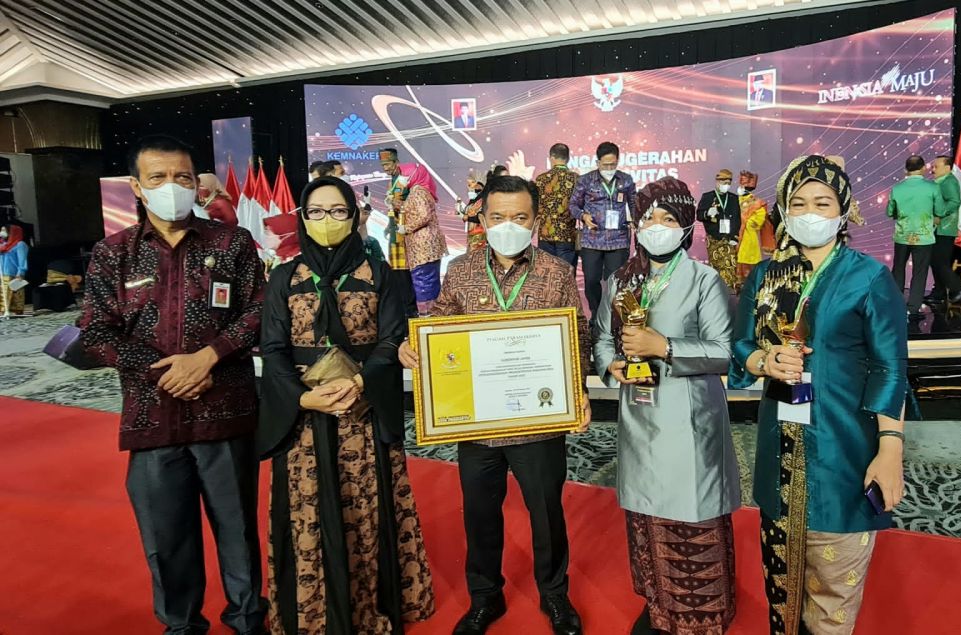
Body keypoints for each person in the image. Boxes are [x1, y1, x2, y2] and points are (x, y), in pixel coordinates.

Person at [79, 135, 266, 634]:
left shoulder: (231, 243)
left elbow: (260, 311)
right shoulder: (113, 254)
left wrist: (208, 357)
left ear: (195, 183)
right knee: (166, 539)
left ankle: (248, 619)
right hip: (152, 417)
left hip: (225, 412)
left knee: (239, 530)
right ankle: (181, 625)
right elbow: (95, 333)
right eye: (158, 177)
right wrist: (168, 372)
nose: (171, 186)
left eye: (182, 177)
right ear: (137, 187)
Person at [399, 176, 592, 635]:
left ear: (536, 221)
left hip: (539, 422)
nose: (509, 225)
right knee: (480, 515)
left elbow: (578, 336)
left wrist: (578, 389)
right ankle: (485, 597)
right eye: (499, 216)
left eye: (520, 217)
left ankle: (554, 594)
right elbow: (438, 324)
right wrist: (415, 346)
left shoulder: (557, 271)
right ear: (482, 219)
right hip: (478, 424)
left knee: (546, 514)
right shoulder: (460, 270)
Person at [730, 155, 908, 635]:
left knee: (832, 600)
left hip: (844, 454)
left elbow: (890, 368)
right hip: (779, 452)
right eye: (799, 202)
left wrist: (891, 448)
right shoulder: (765, 276)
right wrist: (763, 360)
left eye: (822, 203)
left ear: (842, 209)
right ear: (784, 210)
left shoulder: (867, 277)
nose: (810, 212)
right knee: (781, 590)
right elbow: (740, 345)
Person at [258, 176, 435, 634]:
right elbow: (272, 349)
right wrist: (303, 397)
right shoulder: (284, 277)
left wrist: (359, 382)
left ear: (354, 217)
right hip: (304, 418)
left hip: (362, 414)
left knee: (365, 513)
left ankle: (367, 609)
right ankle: (316, 614)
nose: (327, 220)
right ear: (303, 217)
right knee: (309, 514)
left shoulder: (378, 273)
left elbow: (391, 338)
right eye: (316, 212)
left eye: (338, 211)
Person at [593, 177, 740, 635]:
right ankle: (659, 607)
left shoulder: (704, 279)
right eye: (648, 217)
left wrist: (665, 347)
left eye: (668, 218)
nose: (656, 226)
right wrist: (610, 364)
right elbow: (602, 337)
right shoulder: (620, 280)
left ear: (687, 227)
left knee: (692, 509)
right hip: (639, 413)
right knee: (646, 511)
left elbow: (723, 351)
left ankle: (701, 616)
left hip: (688, 418)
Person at [569, 141, 637, 317]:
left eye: (613, 164)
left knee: (616, 282)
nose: (609, 168)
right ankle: (596, 313)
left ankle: (613, 317)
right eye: (605, 165)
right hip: (592, 240)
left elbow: (634, 204)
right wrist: (583, 216)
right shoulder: (585, 180)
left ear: (618, 161)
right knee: (591, 280)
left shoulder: (626, 180)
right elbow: (573, 205)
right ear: (597, 162)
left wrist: (635, 220)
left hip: (618, 239)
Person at [379, 148, 448, 314]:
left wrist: (406, 228)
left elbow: (424, 215)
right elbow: (410, 209)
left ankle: (428, 317)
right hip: (418, 244)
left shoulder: (418, 191)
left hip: (423, 244)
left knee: (424, 281)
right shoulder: (414, 189)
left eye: (388, 164)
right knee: (424, 280)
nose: (405, 178)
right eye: (383, 165)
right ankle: (429, 315)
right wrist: (394, 205)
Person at [887, 155, 945, 320]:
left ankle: (896, 306)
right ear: (923, 168)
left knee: (898, 269)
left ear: (906, 170)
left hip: (902, 236)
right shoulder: (933, 187)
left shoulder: (897, 188)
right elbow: (940, 211)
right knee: (920, 272)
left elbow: (890, 212)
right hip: (924, 236)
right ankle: (912, 308)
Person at [927, 155, 961, 304]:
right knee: (937, 260)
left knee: (938, 261)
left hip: (944, 228)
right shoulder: (941, 181)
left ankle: (959, 287)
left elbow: (955, 201)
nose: (933, 169)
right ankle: (939, 292)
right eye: (933, 166)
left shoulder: (949, 182)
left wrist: (939, 214)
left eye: (936, 166)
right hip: (939, 228)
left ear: (947, 168)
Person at [535, 143, 580, 272]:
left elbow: (536, 206)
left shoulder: (540, 179)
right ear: (568, 158)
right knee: (566, 275)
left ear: (551, 158)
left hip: (545, 234)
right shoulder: (576, 178)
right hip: (567, 234)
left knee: (546, 274)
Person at [696, 169, 742, 291]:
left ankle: (729, 292)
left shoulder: (733, 198)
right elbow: (699, 215)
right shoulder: (708, 197)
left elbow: (737, 219)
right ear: (717, 182)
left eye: (728, 183)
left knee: (730, 265)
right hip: (714, 238)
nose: (726, 185)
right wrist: (707, 213)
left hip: (729, 238)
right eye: (724, 182)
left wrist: (735, 236)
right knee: (716, 267)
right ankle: (716, 292)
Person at [736, 170, 770, 282]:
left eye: (743, 185)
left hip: (749, 239)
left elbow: (759, 219)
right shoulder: (734, 200)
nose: (740, 187)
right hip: (735, 239)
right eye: (740, 184)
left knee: (750, 274)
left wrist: (745, 222)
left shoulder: (756, 202)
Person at [0, 224, 28, 315]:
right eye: (1, 230)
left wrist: (21, 272)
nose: (2, 232)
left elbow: (22, 259)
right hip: (2, 272)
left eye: (4, 230)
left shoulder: (20, 244)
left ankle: (13, 310)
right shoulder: (3, 245)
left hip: (13, 273)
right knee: (2, 292)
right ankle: (3, 310)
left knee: (14, 292)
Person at [461, 170, 487, 250]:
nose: (470, 186)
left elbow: (481, 216)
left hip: (479, 233)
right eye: (468, 184)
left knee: (477, 251)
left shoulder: (483, 199)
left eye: (472, 182)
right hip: (472, 232)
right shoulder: (474, 199)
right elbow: (467, 212)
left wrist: (468, 218)